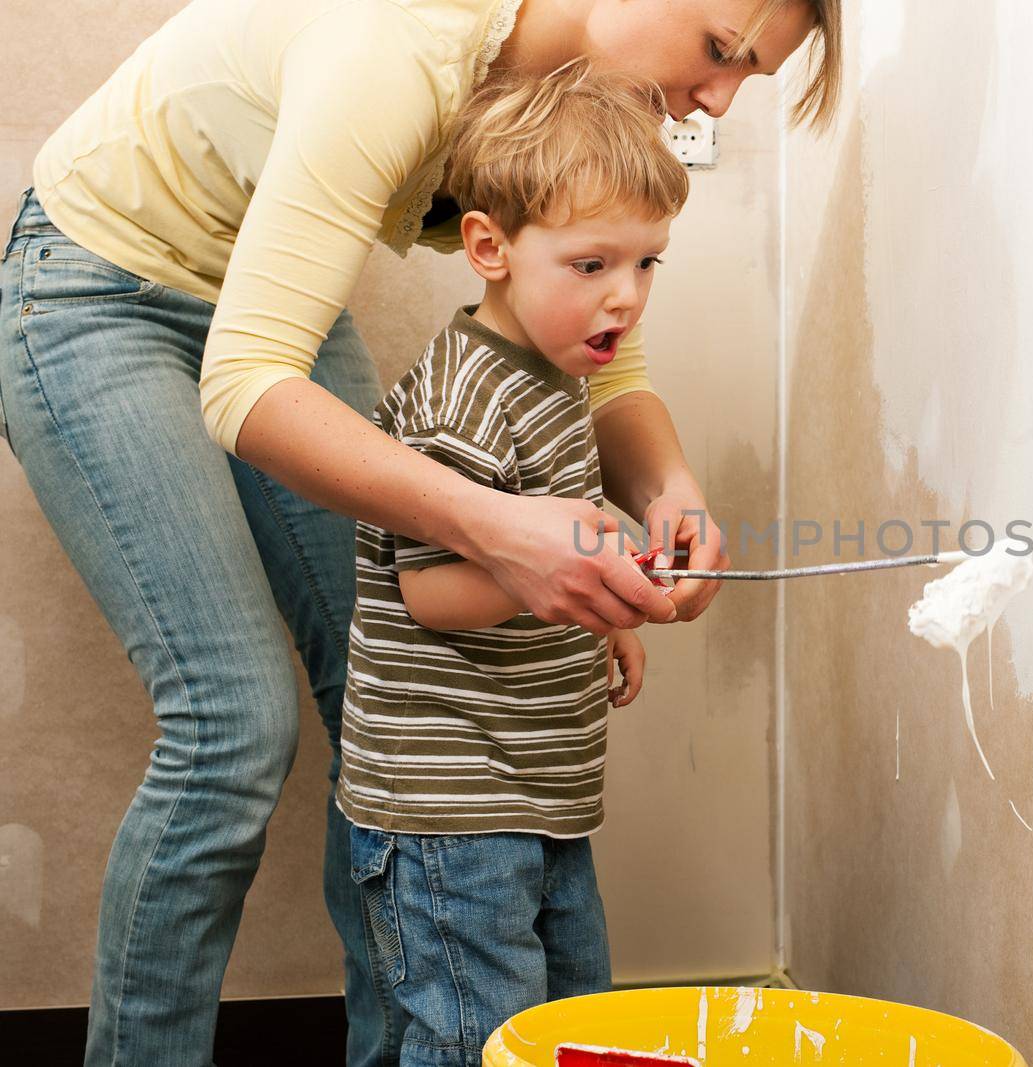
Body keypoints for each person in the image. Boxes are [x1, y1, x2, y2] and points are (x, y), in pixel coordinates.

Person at [0, 1, 839, 1063]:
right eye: (721, 51)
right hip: (96, 286)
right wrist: (500, 530)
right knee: (231, 726)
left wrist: (667, 488)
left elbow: (606, 367)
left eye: (748, 76)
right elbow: (249, 381)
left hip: (263, 295)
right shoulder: (397, 48)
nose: (717, 100)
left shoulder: (565, 94)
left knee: (391, 698)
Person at [338, 61, 677, 1063]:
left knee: (568, 1024)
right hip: (449, 811)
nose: (628, 295)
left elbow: (548, 538)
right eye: (592, 264)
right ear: (487, 246)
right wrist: (591, 555)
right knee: (477, 1039)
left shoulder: (555, 374)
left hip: (532, 786)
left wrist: (603, 603)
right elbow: (432, 589)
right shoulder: (464, 401)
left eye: (650, 262)